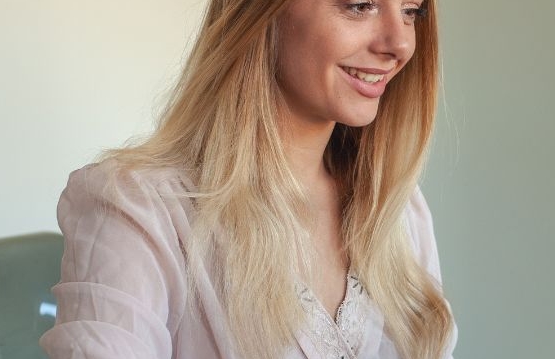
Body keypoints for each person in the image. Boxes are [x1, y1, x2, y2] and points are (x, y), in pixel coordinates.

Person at [38, 0, 457, 358]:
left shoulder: (399, 212)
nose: (400, 44)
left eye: (411, 11)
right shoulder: (138, 209)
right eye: (359, 4)